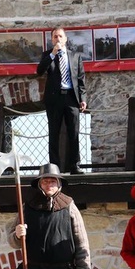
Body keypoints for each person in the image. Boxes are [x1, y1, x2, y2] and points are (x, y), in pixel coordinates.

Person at [37, 27, 87, 174]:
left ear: (65, 39)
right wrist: (52, 54)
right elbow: (40, 71)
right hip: (54, 98)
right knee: (54, 133)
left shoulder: (75, 56)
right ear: (52, 40)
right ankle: (54, 167)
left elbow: (81, 79)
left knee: (74, 132)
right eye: (55, 37)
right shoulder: (47, 55)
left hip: (71, 97)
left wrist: (82, 98)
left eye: (60, 36)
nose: (58, 39)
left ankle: (74, 165)